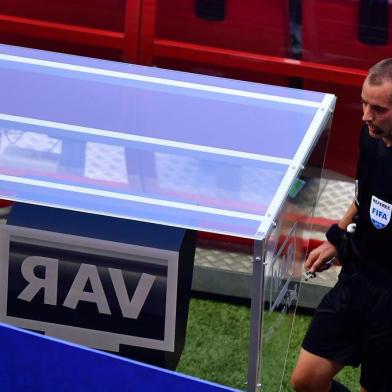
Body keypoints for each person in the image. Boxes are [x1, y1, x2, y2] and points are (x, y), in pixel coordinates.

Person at [291, 58, 392, 392]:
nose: (365, 115)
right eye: (364, 103)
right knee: (306, 380)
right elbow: (364, 195)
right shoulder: (371, 137)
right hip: (357, 279)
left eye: (378, 108)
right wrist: (336, 237)